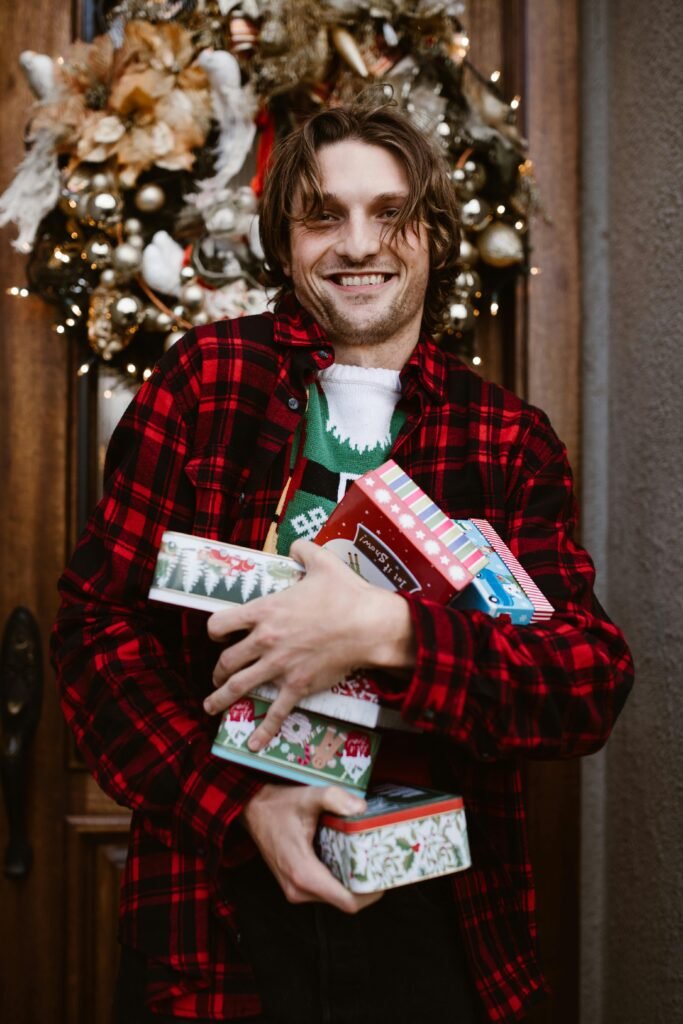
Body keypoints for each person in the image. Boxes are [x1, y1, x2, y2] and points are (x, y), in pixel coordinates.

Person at [52, 98, 633, 1024]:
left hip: (443, 927)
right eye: (323, 215)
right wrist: (239, 800)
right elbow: (95, 631)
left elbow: (585, 684)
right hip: (214, 919)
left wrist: (387, 630)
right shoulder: (208, 381)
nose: (358, 243)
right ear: (285, 245)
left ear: (434, 237)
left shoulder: (505, 438)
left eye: (391, 213)